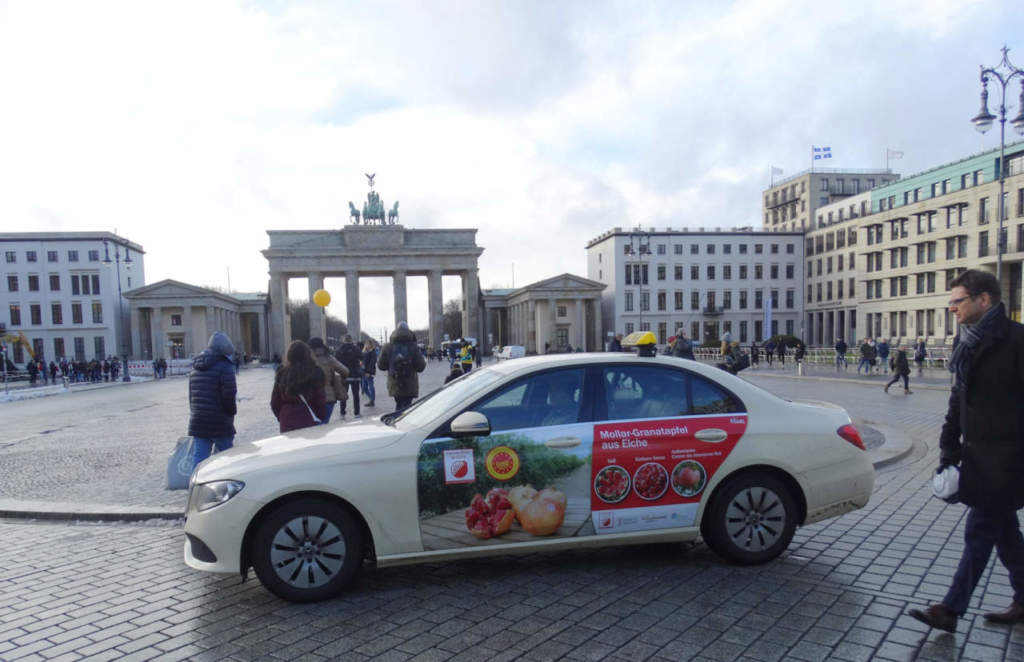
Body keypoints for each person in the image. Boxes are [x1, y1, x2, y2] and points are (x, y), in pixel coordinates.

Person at [908, 270, 1024, 633]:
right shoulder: (966, 343)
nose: (951, 307)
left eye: (958, 301)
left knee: (979, 531)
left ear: (983, 300)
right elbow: (958, 401)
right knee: (1005, 535)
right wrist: (948, 450)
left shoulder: (1017, 340)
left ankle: (950, 609)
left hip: (1007, 461)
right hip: (979, 459)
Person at [188, 332, 238, 469]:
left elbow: (191, 397)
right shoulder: (226, 367)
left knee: (199, 459)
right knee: (227, 457)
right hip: (220, 422)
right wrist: (231, 412)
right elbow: (229, 396)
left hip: (198, 421)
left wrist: (196, 414)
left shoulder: (195, 367)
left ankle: (196, 481)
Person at [271, 340, 326, 433]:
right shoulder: (315, 372)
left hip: (287, 418)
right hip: (308, 416)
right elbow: (320, 399)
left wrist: (282, 417)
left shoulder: (282, 373)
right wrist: (320, 416)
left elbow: (275, 402)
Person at [377, 322, 427, 412]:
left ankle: (398, 418)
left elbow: (381, 366)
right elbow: (421, 367)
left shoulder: (387, 347)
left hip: (394, 381)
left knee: (399, 405)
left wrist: (391, 365)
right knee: (407, 408)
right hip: (410, 382)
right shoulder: (414, 346)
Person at [309, 337, 348, 424]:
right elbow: (345, 371)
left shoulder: (306, 359)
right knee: (324, 424)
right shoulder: (329, 358)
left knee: (313, 426)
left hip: (311, 397)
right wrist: (337, 378)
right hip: (328, 396)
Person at [335, 334, 363, 419]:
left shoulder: (339, 349)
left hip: (344, 375)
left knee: (343, 395)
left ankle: (342, 413)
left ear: (344, 340)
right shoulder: (356, 348)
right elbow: (362, 357)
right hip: (355, 375)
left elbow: (336, 361)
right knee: (356, 395)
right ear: (351, 340)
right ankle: (357, 413)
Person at [361, 340, 377, 407]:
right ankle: (371, 399)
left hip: (368, 372)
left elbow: (372, 363)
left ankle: (372, 400)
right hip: (363, 371)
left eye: (368, 344)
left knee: (370, 386)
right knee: (364, 387)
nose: (367, 345)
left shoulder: (372, 352)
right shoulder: (364, 351)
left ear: (371, 344)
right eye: (366, 344)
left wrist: (369, 372)